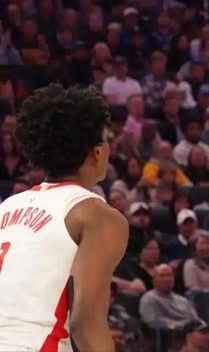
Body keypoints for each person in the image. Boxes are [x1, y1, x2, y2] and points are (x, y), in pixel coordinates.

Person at [0, 84, 128, 351]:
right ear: (96, 151)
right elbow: (85, 323)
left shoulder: (7, 206)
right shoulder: (95, 214)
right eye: (107, 139)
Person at [139, 264, 203, 330]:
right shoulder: (149, 298)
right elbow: (152, 322)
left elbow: (195, 319)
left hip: (193, 330)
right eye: (162, 276)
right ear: (154, 281)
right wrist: (183, 325)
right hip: (172, 332)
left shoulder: (182, 300)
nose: (167, 279)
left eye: (170, 275)